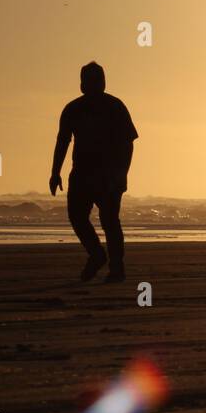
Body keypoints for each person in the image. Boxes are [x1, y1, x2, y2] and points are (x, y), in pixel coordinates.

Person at [49, 61, 138, 283]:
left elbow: (128, 142)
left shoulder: (115, 106)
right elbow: (63, 141)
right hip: (81, 174)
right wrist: (55, 172)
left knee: (109, 220)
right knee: (77, 217)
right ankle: (97, 255)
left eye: (96, 79)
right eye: (89, 80)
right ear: (82, 83)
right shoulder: (73, 109)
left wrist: (121, 173)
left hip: (108, 175)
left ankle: (116, 268)